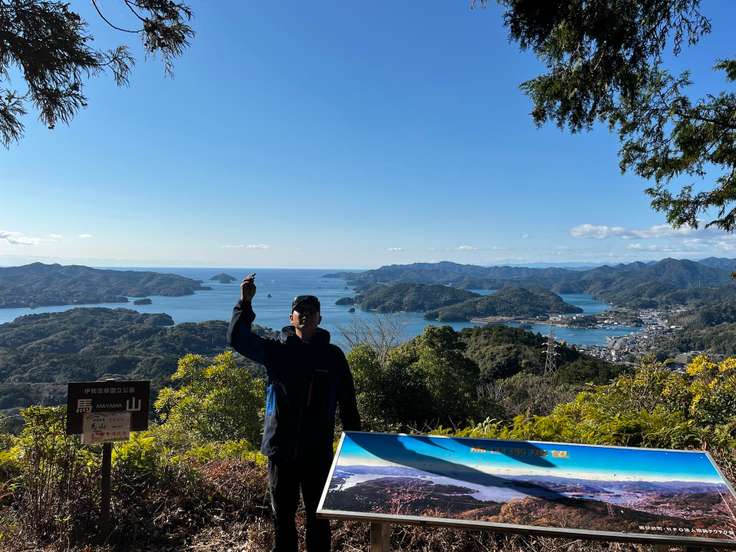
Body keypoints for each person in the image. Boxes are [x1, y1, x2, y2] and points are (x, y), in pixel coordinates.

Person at [227, 274, 361, 552]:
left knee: (319, 517)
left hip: (317, 452)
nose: (306, 314)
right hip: (281, 450)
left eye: (312, 311)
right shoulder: (277, 351)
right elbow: (238, 339)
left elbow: (348, 402)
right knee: (283, 516)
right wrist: (245, 302)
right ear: (291, 318)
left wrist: (355, 447)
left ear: (319, 319)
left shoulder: (333, 356)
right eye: (300, 310)